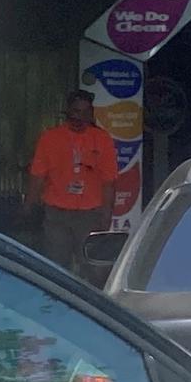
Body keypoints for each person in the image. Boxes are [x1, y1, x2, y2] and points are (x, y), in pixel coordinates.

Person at [25, 90, 117, 275]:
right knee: (56, 266)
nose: (78, 117)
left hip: (89, 215)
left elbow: (109, 180)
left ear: (91, 114)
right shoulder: (50, 138)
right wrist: (28, 206)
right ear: (67, 112)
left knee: (90, 267)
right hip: (57, 213)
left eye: (84, 112)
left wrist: (106, 215)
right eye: (75, 111)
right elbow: (37, 176)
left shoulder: (102, 139)